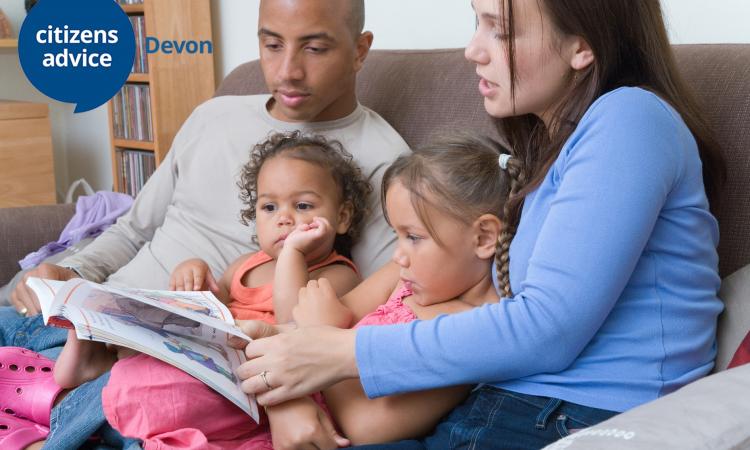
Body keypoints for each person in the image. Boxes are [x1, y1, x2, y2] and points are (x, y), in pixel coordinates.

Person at [234, 0, 726, 448]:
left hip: (570, 419)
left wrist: (340, 351)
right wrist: (287, 349)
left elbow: (548, 329)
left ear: (582, 47)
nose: (473, 50)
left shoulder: (631, 117)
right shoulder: (548, 156)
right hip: (509, 409)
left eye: (501, 31)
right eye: (477, 24)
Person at [0, 0, 409, 447]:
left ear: (360, 50)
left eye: (314, 48)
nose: (287, 70)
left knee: (132, 402)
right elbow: (133, 230)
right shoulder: (213, 116)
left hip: (180, 363)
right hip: (86, 325)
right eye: (272, 45)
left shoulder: (385, 163)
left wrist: (287, 393)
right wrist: (72, 276)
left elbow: (373, 313)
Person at [106, 135, 513, 449]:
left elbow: (365, 426)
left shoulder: (471, 331)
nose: (399, 255)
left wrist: (319, 337)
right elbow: (311, 318)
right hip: (284, 389)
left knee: (149, 397)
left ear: (483, 237)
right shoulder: (403, 275)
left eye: (413, 237)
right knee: (145, 374)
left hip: (305, 427)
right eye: (396, 236)